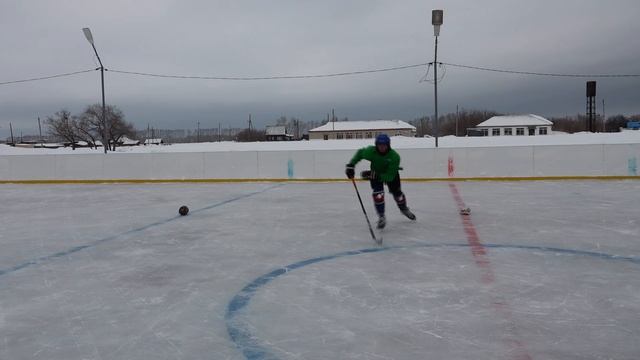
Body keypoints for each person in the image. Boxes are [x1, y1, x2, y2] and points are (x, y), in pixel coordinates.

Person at [345, 134, 416, 229]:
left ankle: (403, 208)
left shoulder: (394, 157)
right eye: (379, 145)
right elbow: (360, 153)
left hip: (392, 175)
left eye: (384, 145)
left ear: (388, 145)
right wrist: (351, 165)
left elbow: (389, 177)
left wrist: (376, 175)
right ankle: (381, 216)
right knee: (378, 194)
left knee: (397, 194)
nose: (382, 147)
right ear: (376, 145)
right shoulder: (371, 151)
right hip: (375, 175)